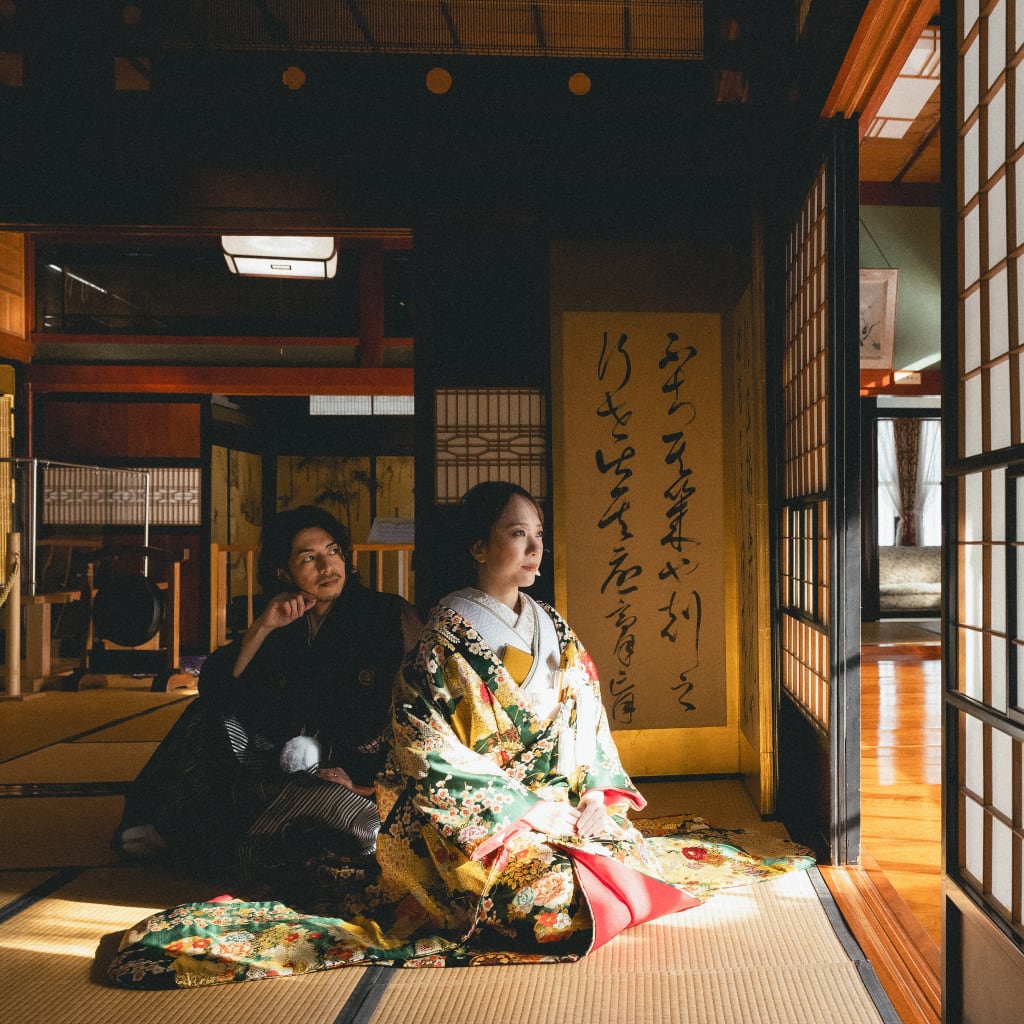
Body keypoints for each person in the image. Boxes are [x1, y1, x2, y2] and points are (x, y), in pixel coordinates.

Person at [107, 484, 813, 988]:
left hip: (542, 806)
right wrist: (526, 811)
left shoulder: (547, 628)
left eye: (538, 534)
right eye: (516, 534)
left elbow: (586, 726)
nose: (534, 547)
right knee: (547, 903)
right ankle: (176, 823)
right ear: (478, 546)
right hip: (473, 826)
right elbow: (423, 746)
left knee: (622, 848)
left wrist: (594, 796)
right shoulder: (446, 634)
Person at [113, 504, 422, 888]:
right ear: (283, 572)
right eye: (309, 558)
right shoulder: (281, 619)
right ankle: (200, 826)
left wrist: (366, 786)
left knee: (343, 816)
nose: (327, 566)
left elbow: (420, 716)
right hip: (281, 763)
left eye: (333, 551)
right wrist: (262, 626)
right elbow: (218, 688)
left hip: (355, 777)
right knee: (204, 715)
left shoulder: (389, 615)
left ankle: (190, 837)